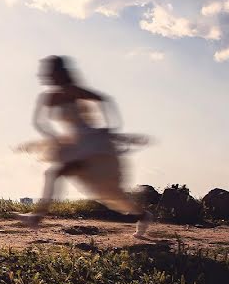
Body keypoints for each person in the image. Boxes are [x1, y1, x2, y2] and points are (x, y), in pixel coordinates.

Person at [16, 56, 152, 239]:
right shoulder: (48, 97)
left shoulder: (75, 91)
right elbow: (39, 123)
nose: (46, 75)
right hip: (75, 143)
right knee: (105, 192)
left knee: (63, 176)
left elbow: (105, 100)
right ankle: (143, 215)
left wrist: (110, 129)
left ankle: (37, 217)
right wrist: (54, 137)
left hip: (93, 143)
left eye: (51, 71)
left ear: (60, 73)